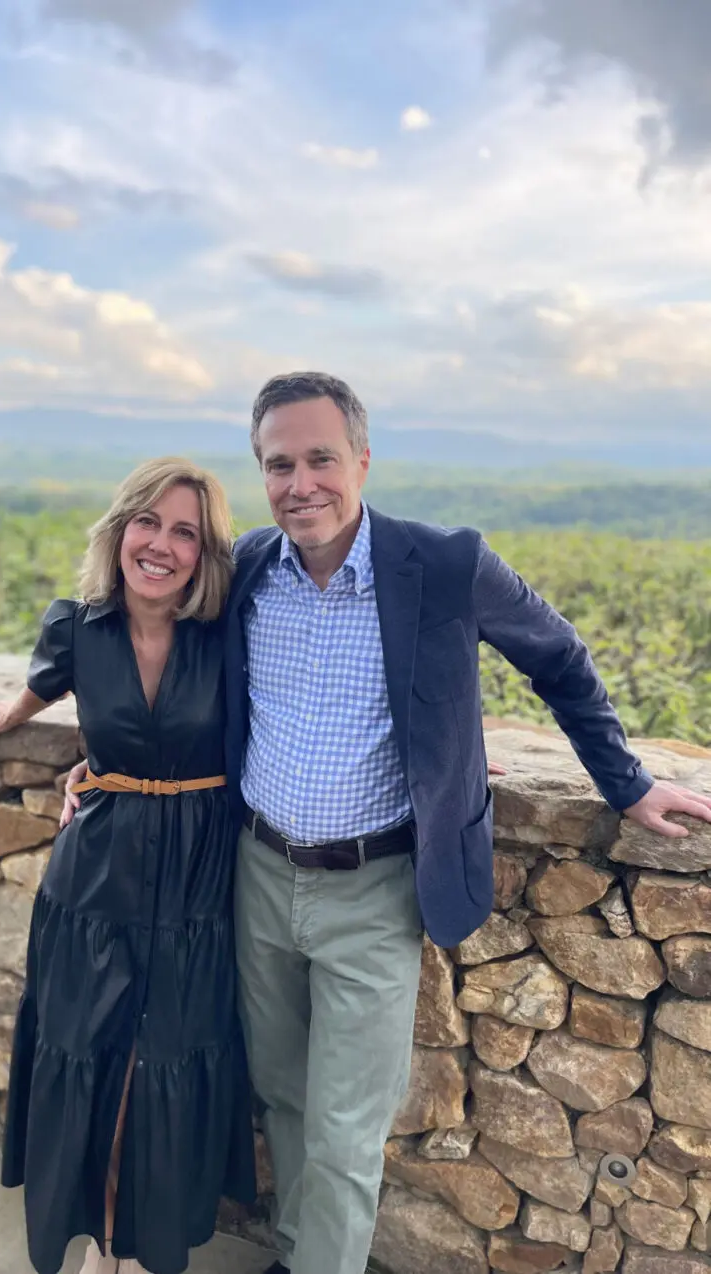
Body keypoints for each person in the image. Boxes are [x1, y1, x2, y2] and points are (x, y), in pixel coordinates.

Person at [216, 372, 711, 1274]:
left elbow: (559, 657)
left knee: (343, 1123)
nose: (301, 484)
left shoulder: (445, 564)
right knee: (282, 1094)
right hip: (257, 873)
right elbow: (154, 641)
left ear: (361, 460)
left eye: (321, 459)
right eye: (278, 464)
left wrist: (628, 783)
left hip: (375, 887)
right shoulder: (250, 566)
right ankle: (296, 1252)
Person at [0, 457, 256, 1274]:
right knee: (84, 1043)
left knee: (167, 1049)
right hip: (92, 873)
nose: (162, 545)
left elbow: (320, 695)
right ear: (120, 528)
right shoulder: (78, 625)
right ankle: (98, 1242)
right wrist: (18, 717)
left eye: (186, 533)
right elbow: (42, 686)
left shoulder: (227, 628)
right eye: (149, 522)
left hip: (198, 876)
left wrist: (446, 747)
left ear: (206, 555)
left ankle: (137, 1245)